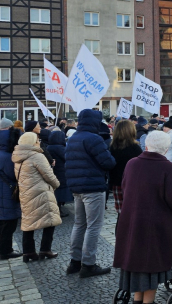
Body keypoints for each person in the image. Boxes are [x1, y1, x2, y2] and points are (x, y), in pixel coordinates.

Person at [114, 131, 172, 304]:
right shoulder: (168, 168)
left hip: (131, 220)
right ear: (166, 150)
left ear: (146, 146)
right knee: (150, 265)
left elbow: (125, 187)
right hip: (155, 225)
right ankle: (147, 301)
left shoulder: (132, 163)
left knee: (137, 262)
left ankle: (138, 299)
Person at [65, 109, 116, 277]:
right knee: (93, 226)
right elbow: (108, 162)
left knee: (79, 224)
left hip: (76, 187)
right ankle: (88, 264)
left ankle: (74, 262)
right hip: (93, 187)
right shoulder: (94, 138)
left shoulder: (73, 138)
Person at [13, 132, 61, 262]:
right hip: (41, 193)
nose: (39, 142)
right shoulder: (37, 156)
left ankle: (28, 252)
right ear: (33, 142)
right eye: (37, 140)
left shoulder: (18, 156)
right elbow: (49, 175)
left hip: (26, 192)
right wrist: (57, 184)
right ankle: (45, 249)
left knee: (29, 222)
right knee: (50, 220)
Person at [0, 119, 22, 260]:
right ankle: (5, 251)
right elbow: (13, 175)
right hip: (6, 195)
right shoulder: (6, 156)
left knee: (3, 224)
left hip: (1, 194)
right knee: (9, 224)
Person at [108, 121, 143, 214]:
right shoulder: (135, 148)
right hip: (133, 183)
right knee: (133, 212)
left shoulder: (112, 147)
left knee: (121, 213)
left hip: (117, 182)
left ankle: (120, 229)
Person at [46, 130, 71, 218]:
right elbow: (67, 157)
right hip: (61, 171)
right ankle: (58, 210)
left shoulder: (49, 146)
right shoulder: (59, 147)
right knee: (60, 193)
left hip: (55, 171)